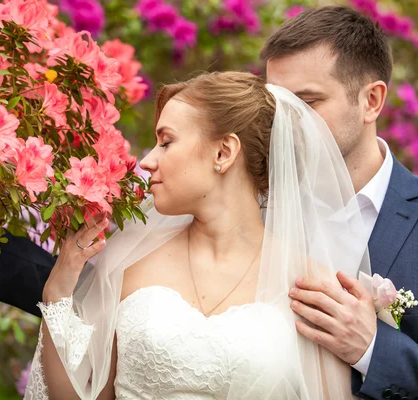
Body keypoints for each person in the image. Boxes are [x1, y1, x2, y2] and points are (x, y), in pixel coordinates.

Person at [0, 6, 418, 399]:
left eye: (306, 101)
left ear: (372, 100)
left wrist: (372, 348)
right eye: (276, 100)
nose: (284, 120)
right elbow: (90, 309)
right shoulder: (223, 203)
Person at [24, 71, 370, 399]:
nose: (147, 162)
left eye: (166, 142)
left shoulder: (311, 287)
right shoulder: (129, 264)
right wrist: (58, 288)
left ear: (223, 153)